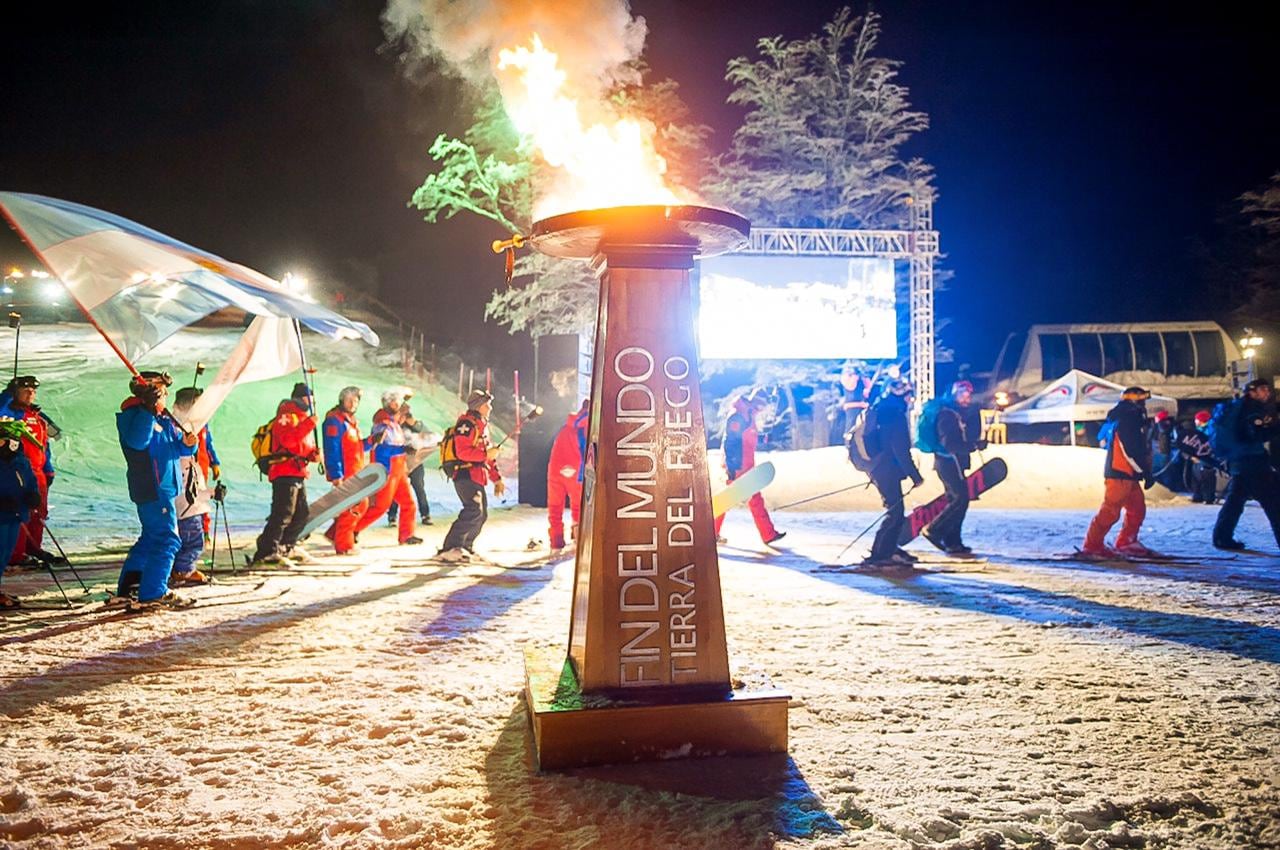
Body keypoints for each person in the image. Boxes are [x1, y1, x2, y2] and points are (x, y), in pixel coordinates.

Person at [115, 371, 198, 609]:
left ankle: (131, 588)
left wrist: (188, 445)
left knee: (151, 538)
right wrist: (148, 410)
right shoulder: (135, 414)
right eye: (161, 389)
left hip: (164, 487)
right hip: (152, 486)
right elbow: (137, 442)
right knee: (167, 540)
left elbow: (177, 449)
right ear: (149, 391)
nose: (166, 394)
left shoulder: (162, 418)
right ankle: (153, 593)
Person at [1082, 386, 1157, 558]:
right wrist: (1144, 471)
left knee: (1137, 509)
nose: (1144, 404)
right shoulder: (1127, 419)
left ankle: (1126, 541)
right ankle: (1092, 545)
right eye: (1142, 399)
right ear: (1134, 401)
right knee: (1110, 510)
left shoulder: (1129, 417)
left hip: (1128, 472)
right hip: (1120, 471)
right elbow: (1129, 448)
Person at [251, 382, 319, 567]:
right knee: (282, 513)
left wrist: (313, 454)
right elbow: (288, 440)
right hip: (284, 470)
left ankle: (286, 546)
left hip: (298, 471)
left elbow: (300, 446)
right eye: (308, 397)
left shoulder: (303, 418)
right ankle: (266, 551)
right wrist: (309, 424)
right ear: (301, 398)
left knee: (301, 514)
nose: (312, 401)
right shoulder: (287, 415)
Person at [917, 380, 985, 555]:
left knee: (956, 500)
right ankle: (934, 529)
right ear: (954, 394)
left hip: (951, 461)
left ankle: (953, 542)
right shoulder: (947, 415)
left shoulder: (954, 413)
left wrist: (973, 443)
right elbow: (950, 444)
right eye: (963, 394)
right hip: (948, 462)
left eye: (969, 394)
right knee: (960, 499)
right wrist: (973, 446)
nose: (967, 398)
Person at [1211, 379, 1280, 550]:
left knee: (1235, 500)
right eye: (1263, 389)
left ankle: (1222, 537)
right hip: (1252, 462)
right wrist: (1274, 428)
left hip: (1240, 460)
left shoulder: (1239, 407)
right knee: (1273, 502)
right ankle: (1222, 537)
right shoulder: (1251, 409)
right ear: (1252, 392)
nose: (1267, 393)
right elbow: (1253, 435)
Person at [863, 378, 926, 566]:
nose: (911, 400)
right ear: (903, 396)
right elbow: (900, 449)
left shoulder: (882, 409)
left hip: (880, 468)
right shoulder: (895, 416)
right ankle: (880, 554)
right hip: (886, 469)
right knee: (895, 512)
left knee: (895, 510)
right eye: (909, 396)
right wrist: (915, 475)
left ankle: (888, 549)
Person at [438, 390, 504, 561]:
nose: (490, 408)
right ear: (479, 406)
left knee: (481, 515)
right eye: (487, 404)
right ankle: (451, 547)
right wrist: (486, 455)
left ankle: (466, 546)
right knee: (473, 510)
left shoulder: (482, 426)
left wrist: (497, 478)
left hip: (477, 475)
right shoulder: (466, 424)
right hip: (464, 473)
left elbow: (487, 456)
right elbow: (463, 452)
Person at [714, 388, 785, 546]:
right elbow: (730, 442)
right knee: (730, 499)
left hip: (745, 465)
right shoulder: (738, 415)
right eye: (762, 406)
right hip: (738, 466)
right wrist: (732, 468)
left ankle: (768, 534)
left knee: (745, 499)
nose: (762, 410)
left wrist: (763, 438)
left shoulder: (748, 414)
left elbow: (747, 437)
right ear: (757, 402)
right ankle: (768, 534)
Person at [355, 387, 423, 546]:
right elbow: (382, 449)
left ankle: (407, 535)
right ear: (389, 403)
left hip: (399, 470)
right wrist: (403, 449)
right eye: (395, 401)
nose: (398, 404)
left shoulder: (394, 423)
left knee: (408, 503)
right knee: (380, 506)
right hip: (387, 469)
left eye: (398, 401)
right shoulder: (382, 423)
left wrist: (408, 447)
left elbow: (405, 427)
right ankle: (352, 529)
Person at [0, 376, 54, 567]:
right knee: (19, 514)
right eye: (25, 390)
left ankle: (33, 548)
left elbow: (44, 446)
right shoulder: (10, 413)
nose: (31, 393)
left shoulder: (37, 417)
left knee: (39, 513)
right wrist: (7, 394)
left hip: (37, 472)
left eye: (33, 390)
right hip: (17, 471)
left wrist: (49, 470)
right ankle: (16, 554)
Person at [321, 386, 379, 555]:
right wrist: (336, 475)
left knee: (361, 505)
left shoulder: (350, 422)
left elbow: (357, 447)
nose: (353, 404)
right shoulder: (335, 421)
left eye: (355, 401)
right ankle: (344, 546)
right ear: (342, 401)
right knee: (352, 508)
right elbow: (331, 449)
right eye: (349, 400)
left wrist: (371, 441)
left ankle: (334, 534)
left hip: (356, 471)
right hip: (346, 473)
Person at [168, 387, 214, 586]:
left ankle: (178, 569)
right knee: (193, 539)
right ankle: (183, 570)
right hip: (186, 497)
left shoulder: (191, 428)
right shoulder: (180, 429)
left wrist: (215, 462)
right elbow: (186, 473)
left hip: (188, 494)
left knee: (186, 536)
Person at [0, 418, 41, 608]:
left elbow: (30, 482)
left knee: (5, 553)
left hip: (15, 513)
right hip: (2, 513)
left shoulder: (20, 461)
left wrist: (33, 496)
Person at [546, 398, 590, 552]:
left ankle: (556, 541)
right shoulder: (588, 427)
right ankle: (578, 539)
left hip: (555, 470)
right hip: (575, 471)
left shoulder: (566, 427)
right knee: (578, 507)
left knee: (555, 507)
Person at [388, 403, 435, 527]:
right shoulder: (394, 426)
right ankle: (392, 516)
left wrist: (414, 424)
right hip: (400, 462)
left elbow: (429, 436)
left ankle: (425, 514)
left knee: (419, 488)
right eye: (402, 412)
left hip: (416, 463)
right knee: (397, 489)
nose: (405, 415)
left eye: (407, 412)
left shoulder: (417, 425)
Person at [1177, 410, 1219, 504]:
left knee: (1207, 476)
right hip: (1197, 458)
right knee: (1197, 476)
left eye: (1196, 419)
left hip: (1206, 458)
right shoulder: (1198, 430)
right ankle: (1198, 495)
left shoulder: (1209, 430)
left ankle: (1208, 497)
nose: (1195, 421)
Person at [829, 362, 873, 446]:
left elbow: (867, 388)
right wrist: (861, 404)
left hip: (861, 409)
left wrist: (866, 383)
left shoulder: (859, 382)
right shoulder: (847, 382)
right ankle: (849, 445)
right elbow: (847, 404)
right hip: (852, 410)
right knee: (851, 427)